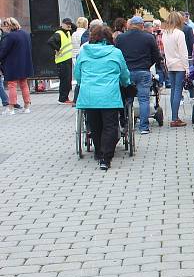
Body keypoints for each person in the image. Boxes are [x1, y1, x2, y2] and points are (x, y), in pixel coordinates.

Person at [74, 25, 131, 171]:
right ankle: (106, 158)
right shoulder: (116, 52)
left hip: (89, 95)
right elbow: (124, 74)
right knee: (110, 126)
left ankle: (99, 152)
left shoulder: (84, 53)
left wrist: (84, 83)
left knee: (95, 125)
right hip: (109, 96)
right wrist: (126, 84)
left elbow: (78, 76)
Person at [115, 16, 161, 135]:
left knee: (126, 98)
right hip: (143, 71)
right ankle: (144, 127)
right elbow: (156, 55)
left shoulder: (121, 38)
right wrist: (147, 65)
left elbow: (116, 55)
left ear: (130, 25)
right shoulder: (149, 37)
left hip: (127, 72)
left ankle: (125, 123)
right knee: (144, 99)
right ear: (141, 25)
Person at [0, 18, 33, 115]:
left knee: (12, 85)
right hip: (25, 63)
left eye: (5, 25)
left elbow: (4, 51)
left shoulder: (10, 36)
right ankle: (27, 107)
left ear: (9, 25)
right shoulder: (26, 34)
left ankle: (11, 108)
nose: (4, 28)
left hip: (12, 65)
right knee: (24, 84)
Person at [163, 11, 189, 127]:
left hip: (170, 64)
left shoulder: (165, 33)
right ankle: (175, 118)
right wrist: (187, 67)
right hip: (179, 64)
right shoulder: (179, 33)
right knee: (178, 90)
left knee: (173, 90)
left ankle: (174, 116)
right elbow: (183, 52)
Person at [47, 17, 73, 104]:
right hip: (62, 60)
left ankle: (65, 97)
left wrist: (69, 25)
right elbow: (50, 41)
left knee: (68, 79)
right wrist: (58, 49)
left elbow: (76, 27)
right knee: (64, 80)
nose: (69, 25)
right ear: (62, 24)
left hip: (67, 59)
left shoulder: (68, 32)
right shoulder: (59, 33)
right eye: (67, 24)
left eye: (70, 24)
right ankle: (62, 99)